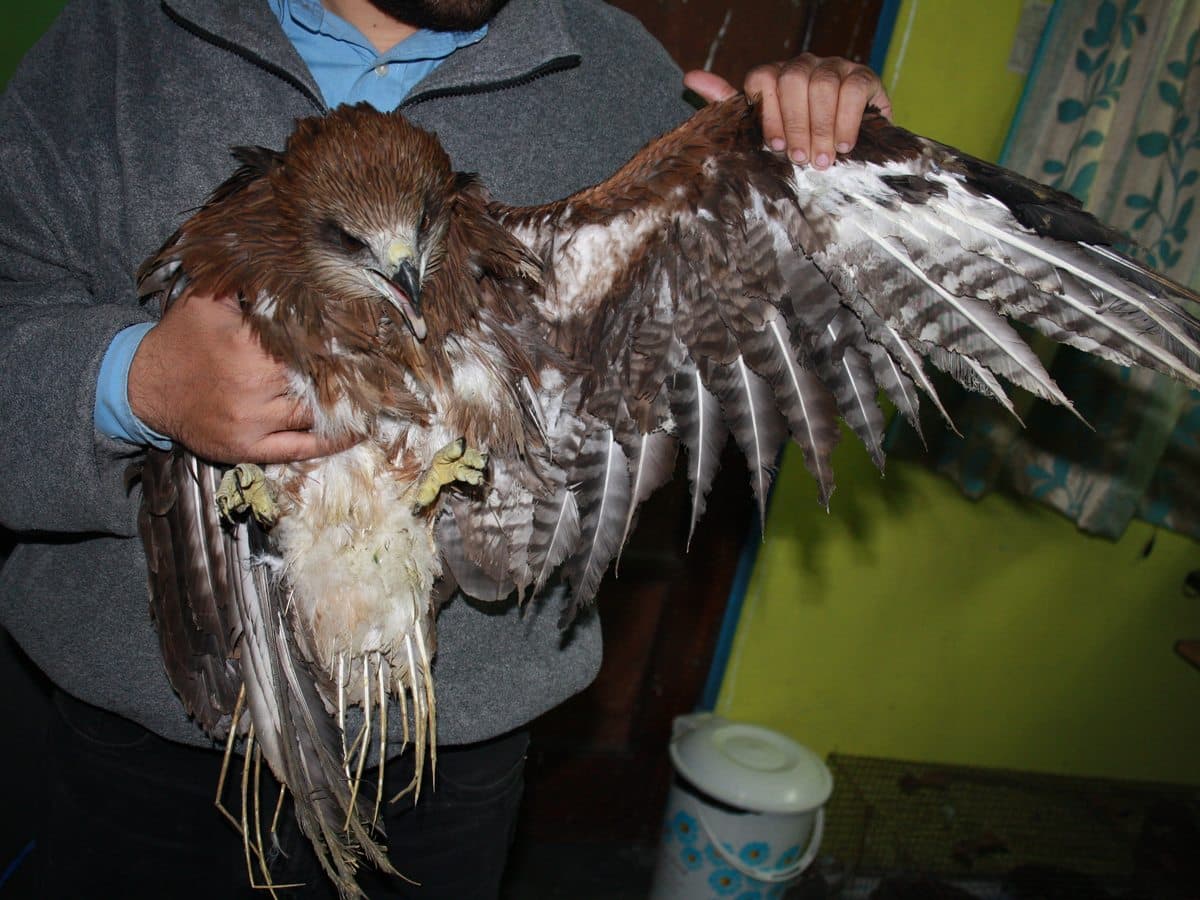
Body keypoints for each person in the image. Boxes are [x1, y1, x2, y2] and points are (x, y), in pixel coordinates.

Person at [0, 0, 888, 896]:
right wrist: (135, 383)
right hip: (146, 742)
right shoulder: (116, 44)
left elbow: (757, 277)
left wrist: (820, 155)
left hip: (454, 751)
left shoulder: (613, 66)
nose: (403, 274)